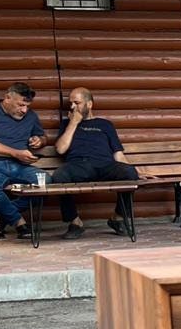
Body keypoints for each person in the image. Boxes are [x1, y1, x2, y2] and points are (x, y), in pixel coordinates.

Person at [53, 87, 139, 238]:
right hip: (80, 166)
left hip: (105, 166)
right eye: (71, 103)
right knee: (60, 176)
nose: (72, 107)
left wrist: (137, 171)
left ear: (89, 104)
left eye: (77, 103)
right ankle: (75, 222)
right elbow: (60, 149)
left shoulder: (105, 125)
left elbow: (118, 154)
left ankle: (117, 218)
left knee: (130, 173)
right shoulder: (67, 124)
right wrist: (73, 123)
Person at [0, 81, 51, 239]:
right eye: (21, 105)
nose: (24, 110)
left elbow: (42, 137)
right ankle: (18, 222)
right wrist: (16, 153)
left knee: (47, 184)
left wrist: (39, 140)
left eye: (27, 105)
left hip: (20, 166)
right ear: (7, 98)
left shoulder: (31, 116)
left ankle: (4, 216)